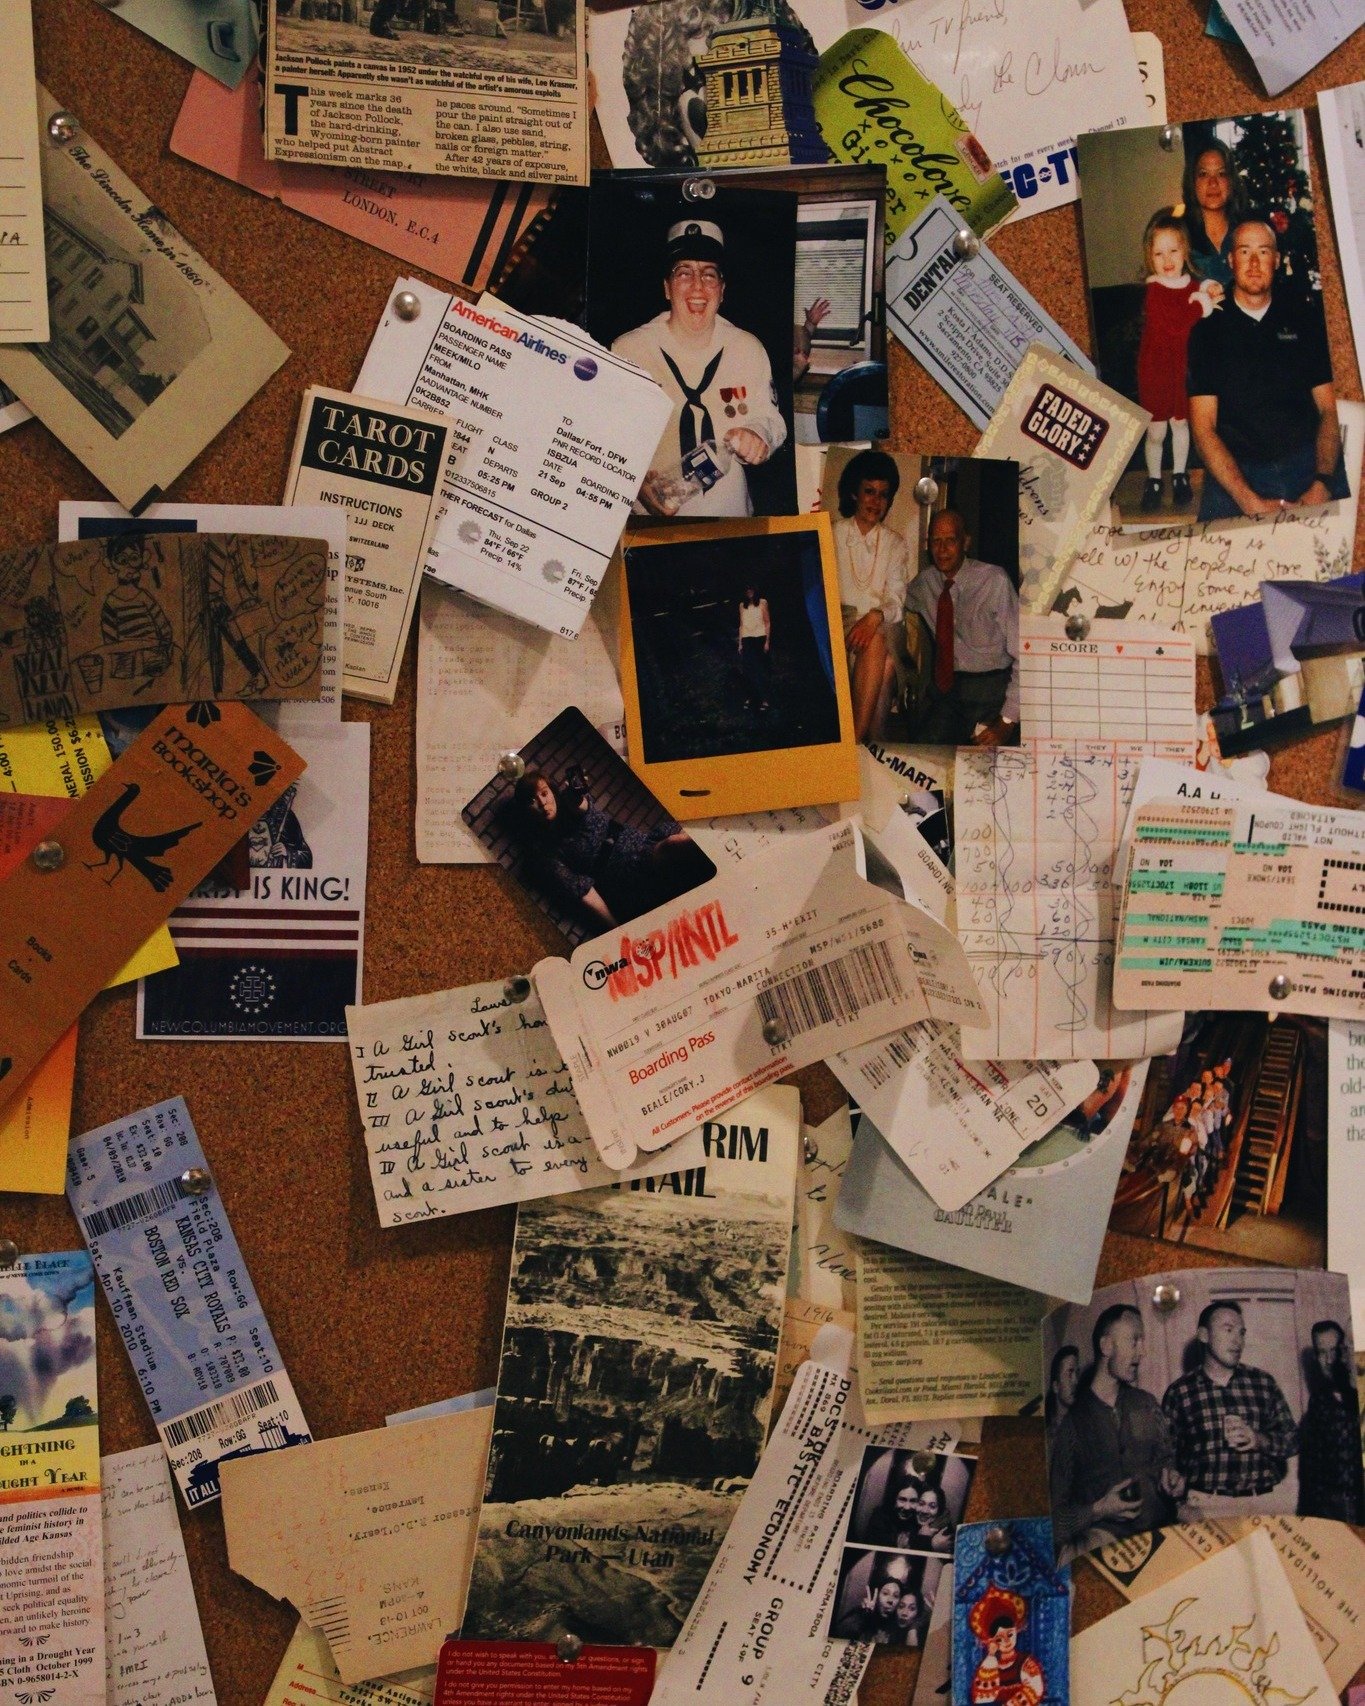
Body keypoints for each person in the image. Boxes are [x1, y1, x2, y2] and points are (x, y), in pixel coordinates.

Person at [613, 218, 788, 518]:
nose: (697, 286)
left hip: (729, 519)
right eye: (684, 273)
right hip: (649, 524)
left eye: (709, 275)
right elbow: (608, 439)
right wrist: (638, 485)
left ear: (722, 290)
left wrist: (758, 435)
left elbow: (770, 417)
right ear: (667, 288)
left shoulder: (747, 348)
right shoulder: (629, 351)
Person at [1187, 219, 1347, 522]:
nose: (1254, 263)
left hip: (1307, 460)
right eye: (1245, 252)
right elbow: (1203, 429)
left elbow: (1330, 409)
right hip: (1235, 470)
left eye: (1263, 251)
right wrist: (1248, 500)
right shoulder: (1207, 332)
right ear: (1231, 260)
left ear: (1276, 260)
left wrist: (1323, 482)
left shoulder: (1305, 319)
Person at [1048, 1303, 1183, 1558]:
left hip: (1165, 1535)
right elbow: (1052, 1522)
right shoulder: (1071, 1426)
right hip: (1109, 1548)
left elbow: (1168, 1460)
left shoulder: (1147, 1403)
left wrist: (1173, 1479)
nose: (1142, 1352)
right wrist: (1098, 1509)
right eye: (1134, 1341)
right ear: (1107, 1346)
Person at [510, 769, 704, 933]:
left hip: (643, 841)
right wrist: (618, 930)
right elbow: (584, 892)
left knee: (689, 840)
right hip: (627, 873)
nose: (543, 803)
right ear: (527, 811)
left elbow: (579, 804)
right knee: (675, 846)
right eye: (532, 801)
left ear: (552, 792)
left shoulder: (569, 804)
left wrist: (576, 791)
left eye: (544, 793)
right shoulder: (547, 851)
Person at [1161, 1300, 1299, 1517]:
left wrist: (1258, 1439)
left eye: (1241, 1332)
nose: (1238, 1340)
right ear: (1204, 1335)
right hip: (1203, 1507)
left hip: (1263, 1504)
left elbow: (1293, 1440)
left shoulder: (1263, 1383)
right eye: (1228, 1330)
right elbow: (1166, 1453)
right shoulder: (1179, 1392)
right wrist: (1172, 1478)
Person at [903, 509, 1018, 746]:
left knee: (984, 771)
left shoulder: (994, 581)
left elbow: (1026, 654)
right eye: (936, 541)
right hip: (948, 695)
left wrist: (1006, 722)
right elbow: (897, 599)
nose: (942, 549)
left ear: (965, 542)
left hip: (993, 692)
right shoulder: (925, 583)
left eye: (950, 540)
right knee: (921, 753)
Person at [1135, 209, 1224, 511]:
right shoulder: (1154, 290)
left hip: (1183, 371)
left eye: (1173, 250)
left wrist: (1207, 289)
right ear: (1150, 256)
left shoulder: (1189, 284)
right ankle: (1153, 479)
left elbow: (1198, 287)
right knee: (1157, 431)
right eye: (1159, 253)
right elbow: (1177, 324)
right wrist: (1202, 303)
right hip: (1156, 372)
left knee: (1181, 424)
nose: (1167, 259)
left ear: (1185, 250)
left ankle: (1180, 475)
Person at [831, 449, 910, 741]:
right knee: (886, 667)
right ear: (854, 493)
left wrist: (875, 616)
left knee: (878, 643)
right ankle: (869, 746)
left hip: (883, 624)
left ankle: (853, 740)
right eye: (869, 492)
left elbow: (897, 601)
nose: (876, 502)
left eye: (883, 495)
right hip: (839, 619)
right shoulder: (832, 533)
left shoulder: (895, 544)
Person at [1297, 1319, 1364, 1522]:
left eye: (1334, 1351)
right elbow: (1310, 1471)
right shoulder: (1318, 1403)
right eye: (1321, 1352)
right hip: (1333, 1510)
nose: (1328, 1360)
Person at [1183, 140, 1248, 288]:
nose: (1213, 182)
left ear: (1231, 182)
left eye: (1221, 173)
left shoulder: (1248, 232)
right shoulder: (1179, 237)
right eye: (1204, 174)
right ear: (1193, 182)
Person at [967, 1585, 1045, 1706]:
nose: (1006, 1641)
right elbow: (981, 1697)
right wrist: (991, 1655)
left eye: (1009, 1635)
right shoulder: (991, 1665)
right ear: (991, 1641)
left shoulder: (1026, 1663)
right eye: (999, 1639)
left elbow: (1035, 1690)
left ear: (1016, 1631)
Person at [833, 1573, 904, 1642]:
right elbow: (838, 1633)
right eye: (885, 1593)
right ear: (876, 1597)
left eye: (896, 1596)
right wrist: (863, 1616)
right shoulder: (861, 1614)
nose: (890, 1600)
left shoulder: (897, 1632)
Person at [736, 585, 771, 713]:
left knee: (760, 670)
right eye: (747, 589)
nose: (749, 592)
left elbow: (767, 622)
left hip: (759, 638)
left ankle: (765, 699)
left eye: (751, 589)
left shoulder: (762, 602)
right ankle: (750, 697)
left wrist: (767, 641)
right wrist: (740, 643)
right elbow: (741, 625)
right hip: (747, 639)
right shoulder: (742, 605)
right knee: (748, 670)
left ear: (755, 590)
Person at [864, 1477, 923, 1550]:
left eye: (913, 1501)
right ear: (894, 1499)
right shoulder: (879, 1518)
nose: (907, 1507)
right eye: (902, 1499)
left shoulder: (919, 1521)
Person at [1045, 1345, 1080, 1436]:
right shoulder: (1045, 1431)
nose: (1076, 1381)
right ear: (1056, 1386)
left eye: (1077, 1373)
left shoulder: (1085, 1428)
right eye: (1069, 1373)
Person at [911, 1484, 955, 1553]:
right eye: (921, 1504)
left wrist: (926, 1540)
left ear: (939, 1511)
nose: (924, 1511)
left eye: (932, 1506)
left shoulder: (945, 1536)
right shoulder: (909, 1525)